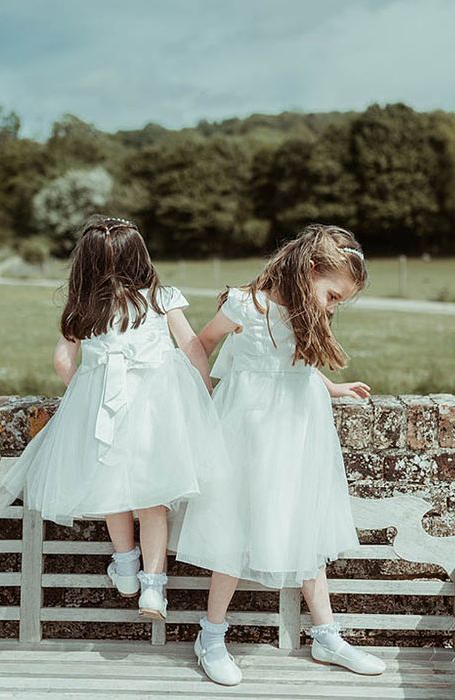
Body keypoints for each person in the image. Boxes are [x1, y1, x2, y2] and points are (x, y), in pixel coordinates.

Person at [0, 215, 228, 621]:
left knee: (113, 489)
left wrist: (88, 387)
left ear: (85, 263)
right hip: (157, 414)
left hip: (105, 413)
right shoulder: (161, 298)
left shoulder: (83, 307)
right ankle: (153, 587)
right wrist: (203, 392)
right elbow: (192, 348)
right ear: (139, 258)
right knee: (153, 499)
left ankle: (126, 566)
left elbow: (63, 360)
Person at [174, 224, 386, 685]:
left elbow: (300, 363)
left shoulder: (306, 310)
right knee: (231, 524)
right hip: (248, 430)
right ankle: (211, 635)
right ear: (309, 270)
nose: (332, 306)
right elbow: (200, 345)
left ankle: (326, 635)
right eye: (332, 295)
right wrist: (198, 393)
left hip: (299, 429)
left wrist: (332, 386)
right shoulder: (246, 306)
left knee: (303, 523)